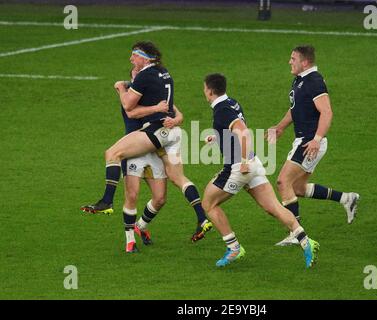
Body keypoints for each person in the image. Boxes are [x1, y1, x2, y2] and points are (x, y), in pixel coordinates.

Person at [81, 41, 212, 247]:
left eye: (134, 57)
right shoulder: (161, 76)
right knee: (149, 192)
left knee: (116, 158)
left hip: (150, 138)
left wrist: (120, 89)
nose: (132, 62)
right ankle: (133, 237)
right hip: (155, 142)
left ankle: (107, 201)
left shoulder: (142, 84)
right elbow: (164, 109)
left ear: (144, 58)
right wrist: (171, 116)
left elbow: (131, 108)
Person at [201, 73, 319, 268]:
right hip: (254, 164)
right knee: (273, 207)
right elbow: (234, 129)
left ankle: (234, 248)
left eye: (204, 89)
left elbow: (243, 131)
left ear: (210, 91)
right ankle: (306, 242)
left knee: (208, 203)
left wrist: (244, 161)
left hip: (239, 167)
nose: (204, 92)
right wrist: (217, 138)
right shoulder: (231, 102)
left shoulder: (221, 109)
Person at [266, 45, 360, 246]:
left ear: (305, 62)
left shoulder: (314, 82)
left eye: (293, 59)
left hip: (309, 142)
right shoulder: (300, 80)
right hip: (304, 140)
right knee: (297, 188)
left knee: (283, 182)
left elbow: (327, 112)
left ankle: (295, 232)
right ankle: (347, 198)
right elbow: (296, 108)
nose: (289, 62)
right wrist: (280, 127)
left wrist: (316, 139)